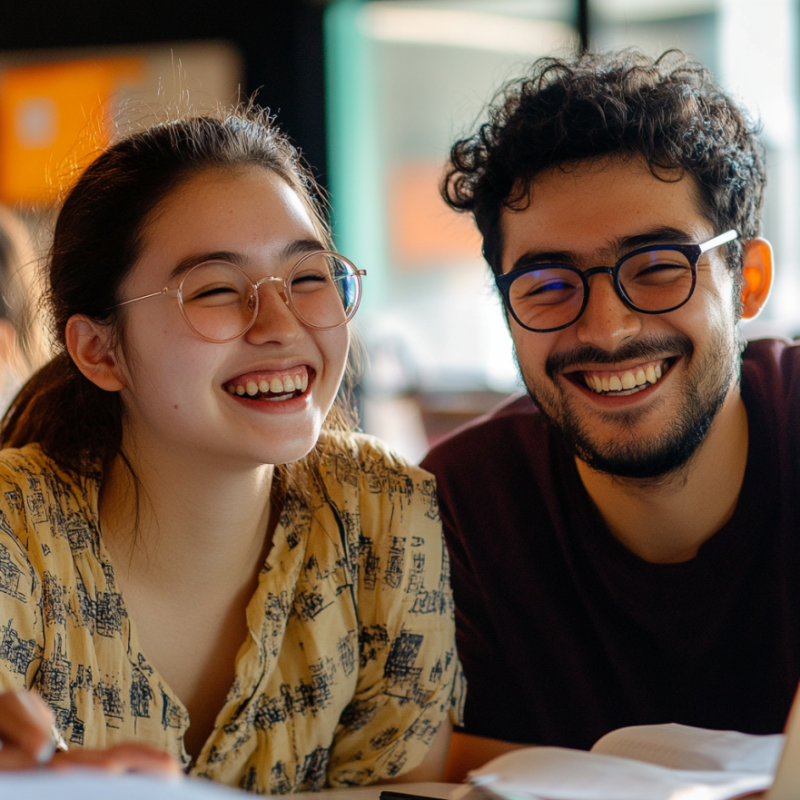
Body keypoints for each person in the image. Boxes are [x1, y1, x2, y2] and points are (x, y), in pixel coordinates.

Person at [0, 109, 462, 791]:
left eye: (309, 278)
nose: (281, 325)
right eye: (216, 290)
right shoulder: (16, 531)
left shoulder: (381, 512)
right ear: (99, 350)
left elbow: (405, 788)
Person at [420, 49, 792, 778]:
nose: (608, 330)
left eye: (657, 268)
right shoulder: (462, 506)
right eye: (548, 284)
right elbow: (416, 753)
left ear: (747, 282)